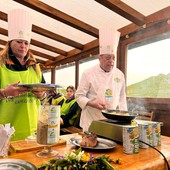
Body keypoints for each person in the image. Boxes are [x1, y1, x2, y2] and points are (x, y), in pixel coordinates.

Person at [0, 9, 46, 140]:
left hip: (33, 128)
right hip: (6, 130)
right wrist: (4, 93)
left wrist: (42, 94)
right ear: (10, 43)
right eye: (19, 42)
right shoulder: (1, 65)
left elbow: (45, 94)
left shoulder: (35, 66)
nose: (23, 46)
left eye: (26, 43)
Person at [75, 26, 127, 131]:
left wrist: (124, 118)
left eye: (113, 58)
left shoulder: (119, 75)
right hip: (91, 121)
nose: (111, 61)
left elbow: (122, 98)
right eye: (108, 58)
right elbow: (79, 96)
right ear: (99, 58)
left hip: (112, 122)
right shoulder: (88, 73)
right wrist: (92, 103)